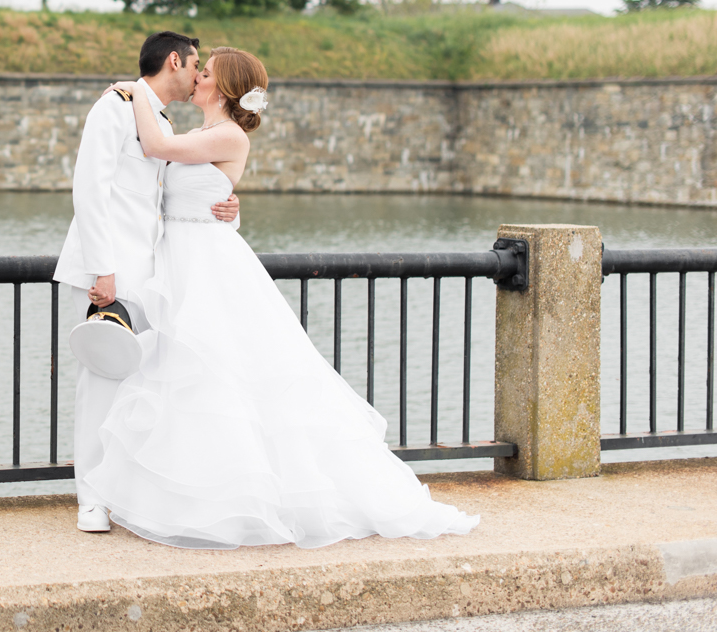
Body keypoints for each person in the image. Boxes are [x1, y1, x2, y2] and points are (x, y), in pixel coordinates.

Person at [81, 46, 479, 549]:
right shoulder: (201, 135)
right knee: (187, 377)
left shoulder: (226, 133)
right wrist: (227, 204)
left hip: (208, 264)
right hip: (179, 259)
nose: (197, 79)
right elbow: (172, 183)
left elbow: (158, 148)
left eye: (205, 74)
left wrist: (133, 89)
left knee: (221, 373)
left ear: (223, 87)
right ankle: (198, 493)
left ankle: (252, 498)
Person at [53, 31, 240, 535]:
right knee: (101, 381)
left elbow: (167, 196)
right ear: (174, 60)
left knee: (141, 382)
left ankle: (125, 490)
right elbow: (89, 189)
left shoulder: (156, 117)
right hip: (110, 270)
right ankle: (91, 498)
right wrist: (101, 268)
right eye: (195, 63)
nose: (199, 73)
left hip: (151, 272)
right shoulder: (115, 106)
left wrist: (228, 207)